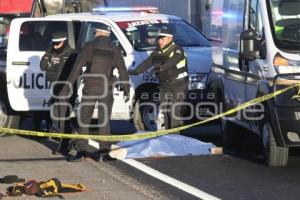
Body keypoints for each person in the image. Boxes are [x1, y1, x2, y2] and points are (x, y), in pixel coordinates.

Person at [62, 24, 130, 162]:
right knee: (104, 120)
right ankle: (104, 152)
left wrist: (67, 86)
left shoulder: (89, 46)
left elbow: (77, 68)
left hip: (90, 88)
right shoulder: (114, 49)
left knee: (84, 120)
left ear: (97, 32)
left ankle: (81, 151)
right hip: (106, 89)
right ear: (108, 34)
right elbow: (123, 72)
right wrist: (126, 90)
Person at [129, 28, 188, 131]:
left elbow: (172, 62)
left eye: (162, 38)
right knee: (165, 111)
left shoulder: (177, 50)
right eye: (158, 38)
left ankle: (176, 139)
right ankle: (169, 137)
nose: (159, 41)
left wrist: (160, 68)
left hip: (179, 84)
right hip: (164, 85)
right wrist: (135, 72)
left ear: (170, 38)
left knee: (173, 112)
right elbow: (147, 63)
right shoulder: (157, 51)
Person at [40, 32, 77, 155]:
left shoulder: (71, 54)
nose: (55, 46)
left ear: (64, 41)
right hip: (55, 88)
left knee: (62, 117)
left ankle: (64, 145)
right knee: (56, 115)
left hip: (66, 89)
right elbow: (42, 66)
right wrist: (48, 53)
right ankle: (70, 136)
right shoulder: (51, 52)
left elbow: (74, 74)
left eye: (58, 43)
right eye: (54, 43)